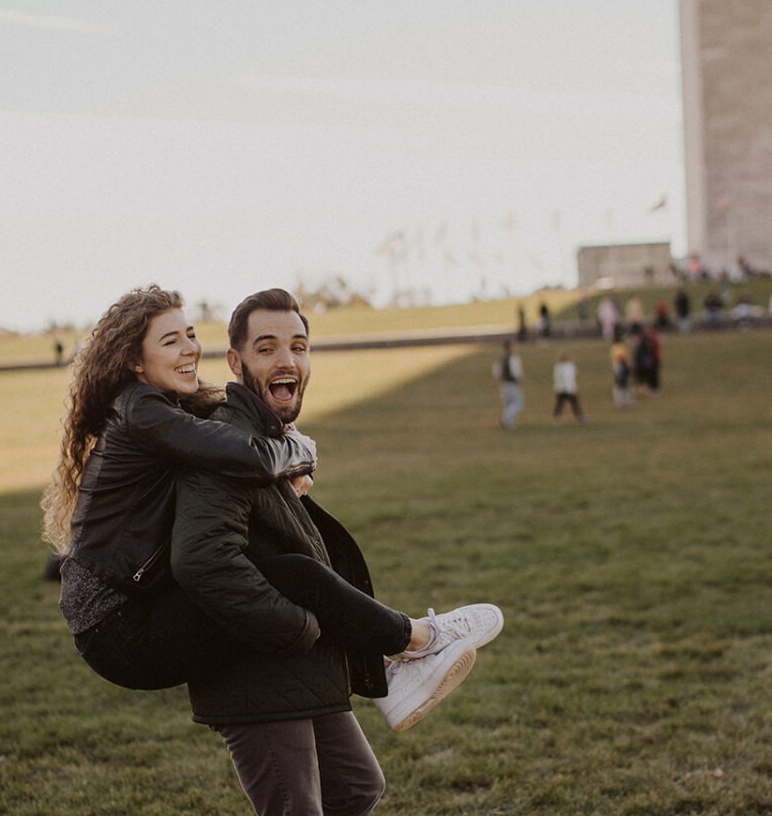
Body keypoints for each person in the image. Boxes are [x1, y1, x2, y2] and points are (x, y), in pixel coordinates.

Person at [169, 289, 503, 816]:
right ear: (235, 362)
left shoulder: (260, 439)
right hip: (255, 663)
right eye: (267, 347)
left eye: (299, 345)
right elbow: (201, 559)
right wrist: (295, 627)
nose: (288, 359)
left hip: (296, 660)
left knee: (356, 786)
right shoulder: (225, 442)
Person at [42, 285, 500, 735]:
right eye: (170, 341)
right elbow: (253, 456)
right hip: (118, 628)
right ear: (134, 362)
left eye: (190, 334)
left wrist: (287, 468)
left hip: (136, 603)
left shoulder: (165, 409)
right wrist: (298, 449)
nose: (190, 349)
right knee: (295, 578)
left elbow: (239, 455)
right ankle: (421, 640)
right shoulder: (141, 410)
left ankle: (388, 678)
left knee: (279, 565)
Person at [493, 338, 524, 429]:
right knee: (517, 403)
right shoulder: (513, 358)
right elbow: (516, 372)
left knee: (508, 404)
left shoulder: (501, 358)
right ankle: (506, 418)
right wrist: (519, 378)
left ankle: (510, 423)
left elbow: (496, 371)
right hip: (512, 383)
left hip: (504, 384)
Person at [551, 353, 587, 423]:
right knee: (574, 403)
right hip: (569, 389)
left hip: (560, 389)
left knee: (560, 404)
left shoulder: (557, 367)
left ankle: (556, 419)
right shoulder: (570, 366)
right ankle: (580, 417)